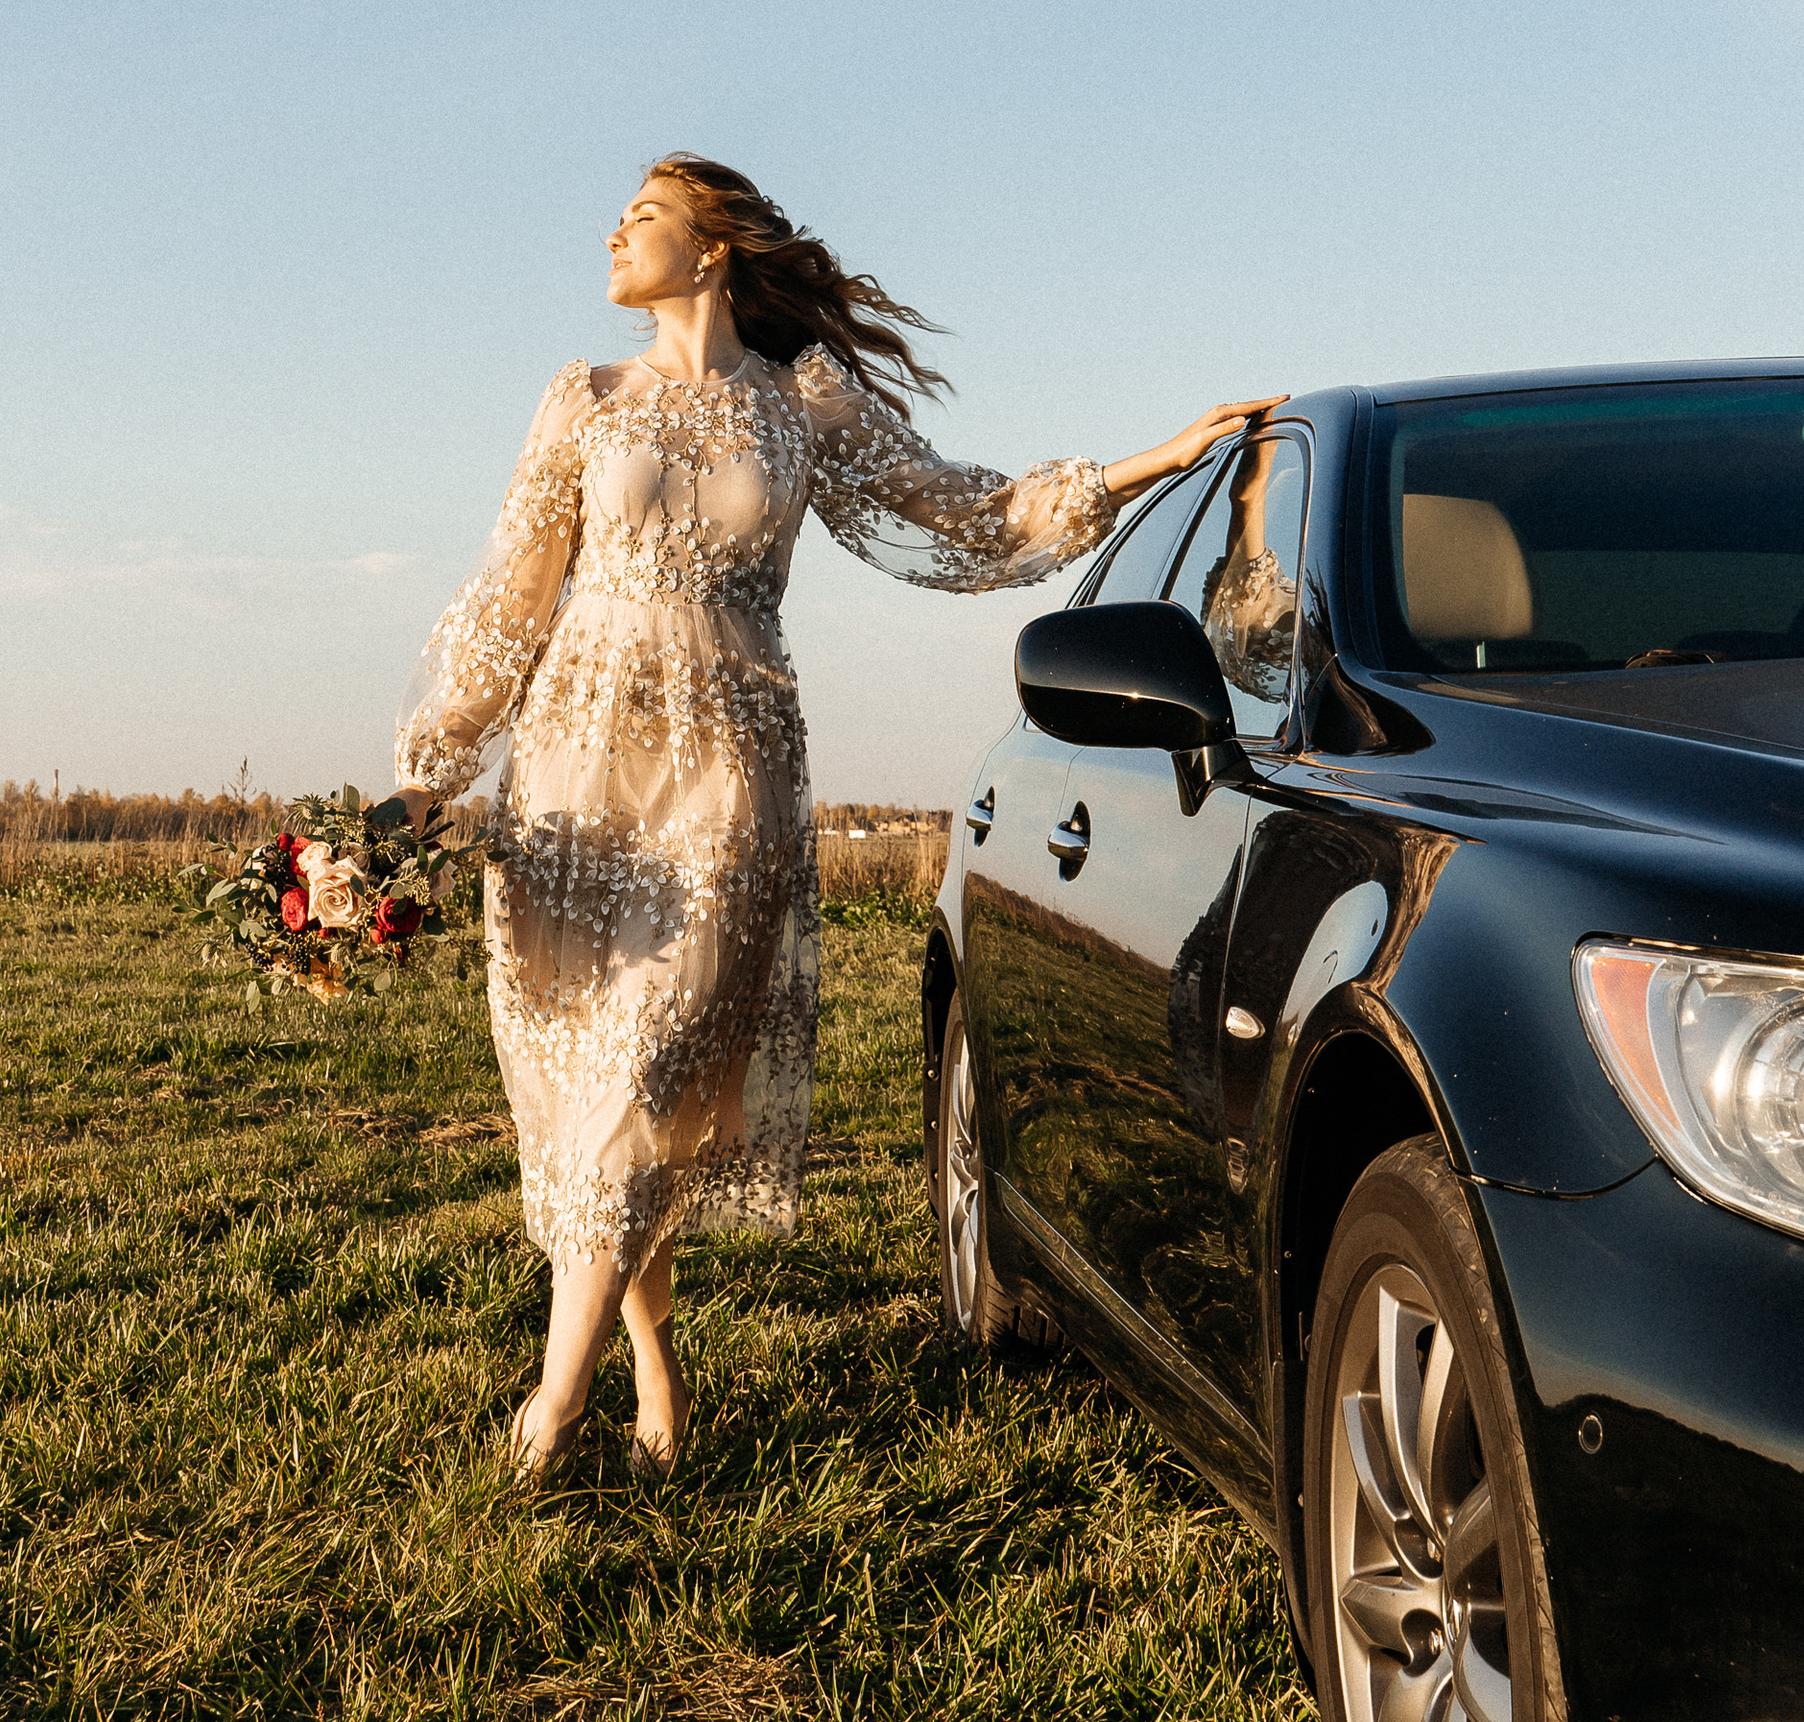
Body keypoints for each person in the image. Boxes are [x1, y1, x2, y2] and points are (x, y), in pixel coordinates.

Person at [392, 154, 1277, 1477]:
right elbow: (512, 595)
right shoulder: (581, 399)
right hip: (576, 777)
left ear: (711, 249)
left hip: (728, 773)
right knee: (601, 1099)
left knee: (651, 1072)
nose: (612, 233)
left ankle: (551, 1410)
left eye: (641, 215)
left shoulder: (803, 400)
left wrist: (1166, 455)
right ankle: (655, 1373)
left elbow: (970, 514)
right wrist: (427, 769)